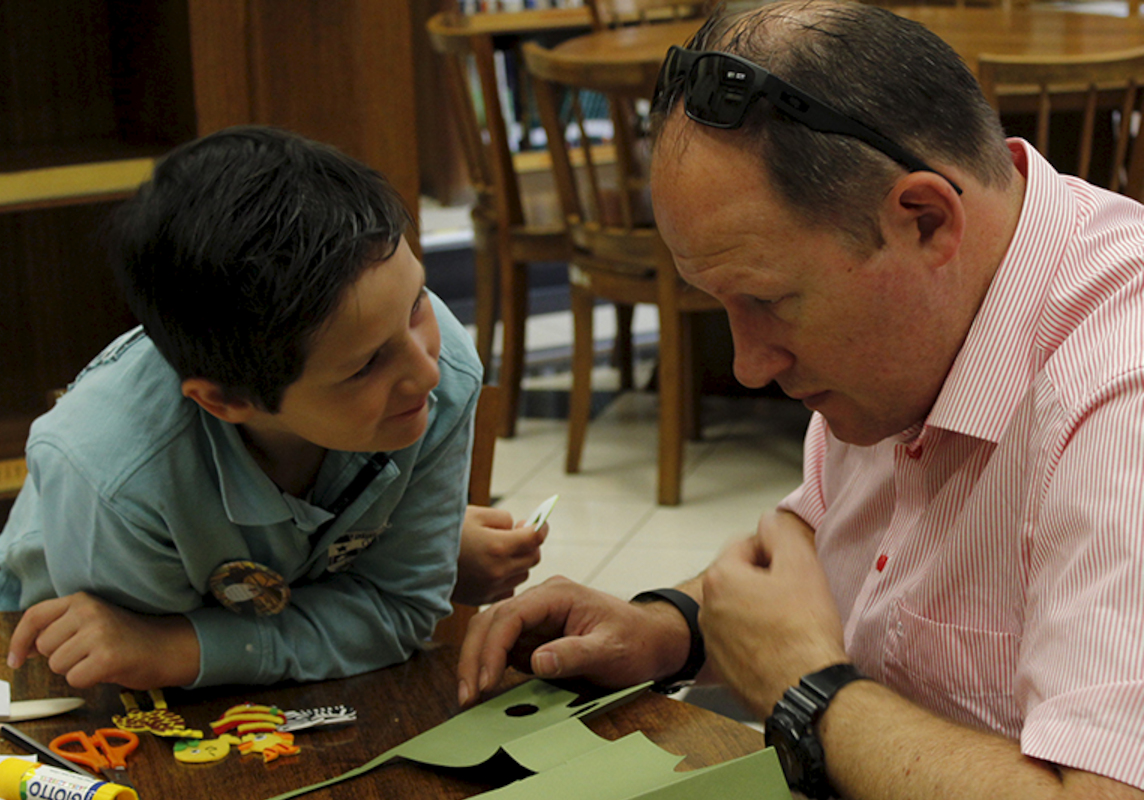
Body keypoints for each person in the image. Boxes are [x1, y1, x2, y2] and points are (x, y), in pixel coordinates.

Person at [456, 2, 1144, 797]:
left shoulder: (1117, 392)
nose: (749, 365)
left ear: (925, 220)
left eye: (770, 302)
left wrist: (808, 691)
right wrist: (670, 628)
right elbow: (829, 563)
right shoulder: (909, 333)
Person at [0, 125, 544, 692]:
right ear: (226, 400)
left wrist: (185, 649)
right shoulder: (114, 476)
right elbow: (133, 662)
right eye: (365, 365)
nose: (427, 370)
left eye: (416, 300)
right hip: (62, 678)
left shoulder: (432, 369)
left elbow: (397, 611)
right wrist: (174, 649)